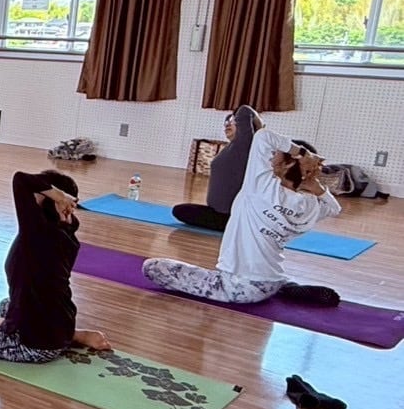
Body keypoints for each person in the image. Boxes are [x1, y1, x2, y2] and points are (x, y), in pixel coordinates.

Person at [143, 129, 342, 305]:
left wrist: (304, 154)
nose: (271, 158)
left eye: (276, 154)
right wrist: (316, 186)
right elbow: (334, 208)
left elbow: (263, 136)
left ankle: (282, 286)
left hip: (238, 288)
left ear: (288, 163)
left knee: (152, 267)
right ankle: (285, 287)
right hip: (272, 280)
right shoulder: (308, 204)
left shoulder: (261, 186)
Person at [0, 170, 111, 362]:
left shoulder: (38, 232)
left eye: (39, 194)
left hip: (35, 345)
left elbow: (21, 180)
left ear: (53, 202)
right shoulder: (67, 232)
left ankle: (35, 334)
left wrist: (59, 196)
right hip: (58, 325)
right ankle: (71, 335)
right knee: (6, 303)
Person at [173, 108, 254, 231]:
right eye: (226, 122)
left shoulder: (243, 145)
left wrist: (259, 124)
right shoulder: (232, 147)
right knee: (181, 210)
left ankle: (233, 225)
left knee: (180, 211)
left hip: (227, 214)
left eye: (232, 121)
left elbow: (245, 110)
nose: (227, 125)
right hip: (216, 210)